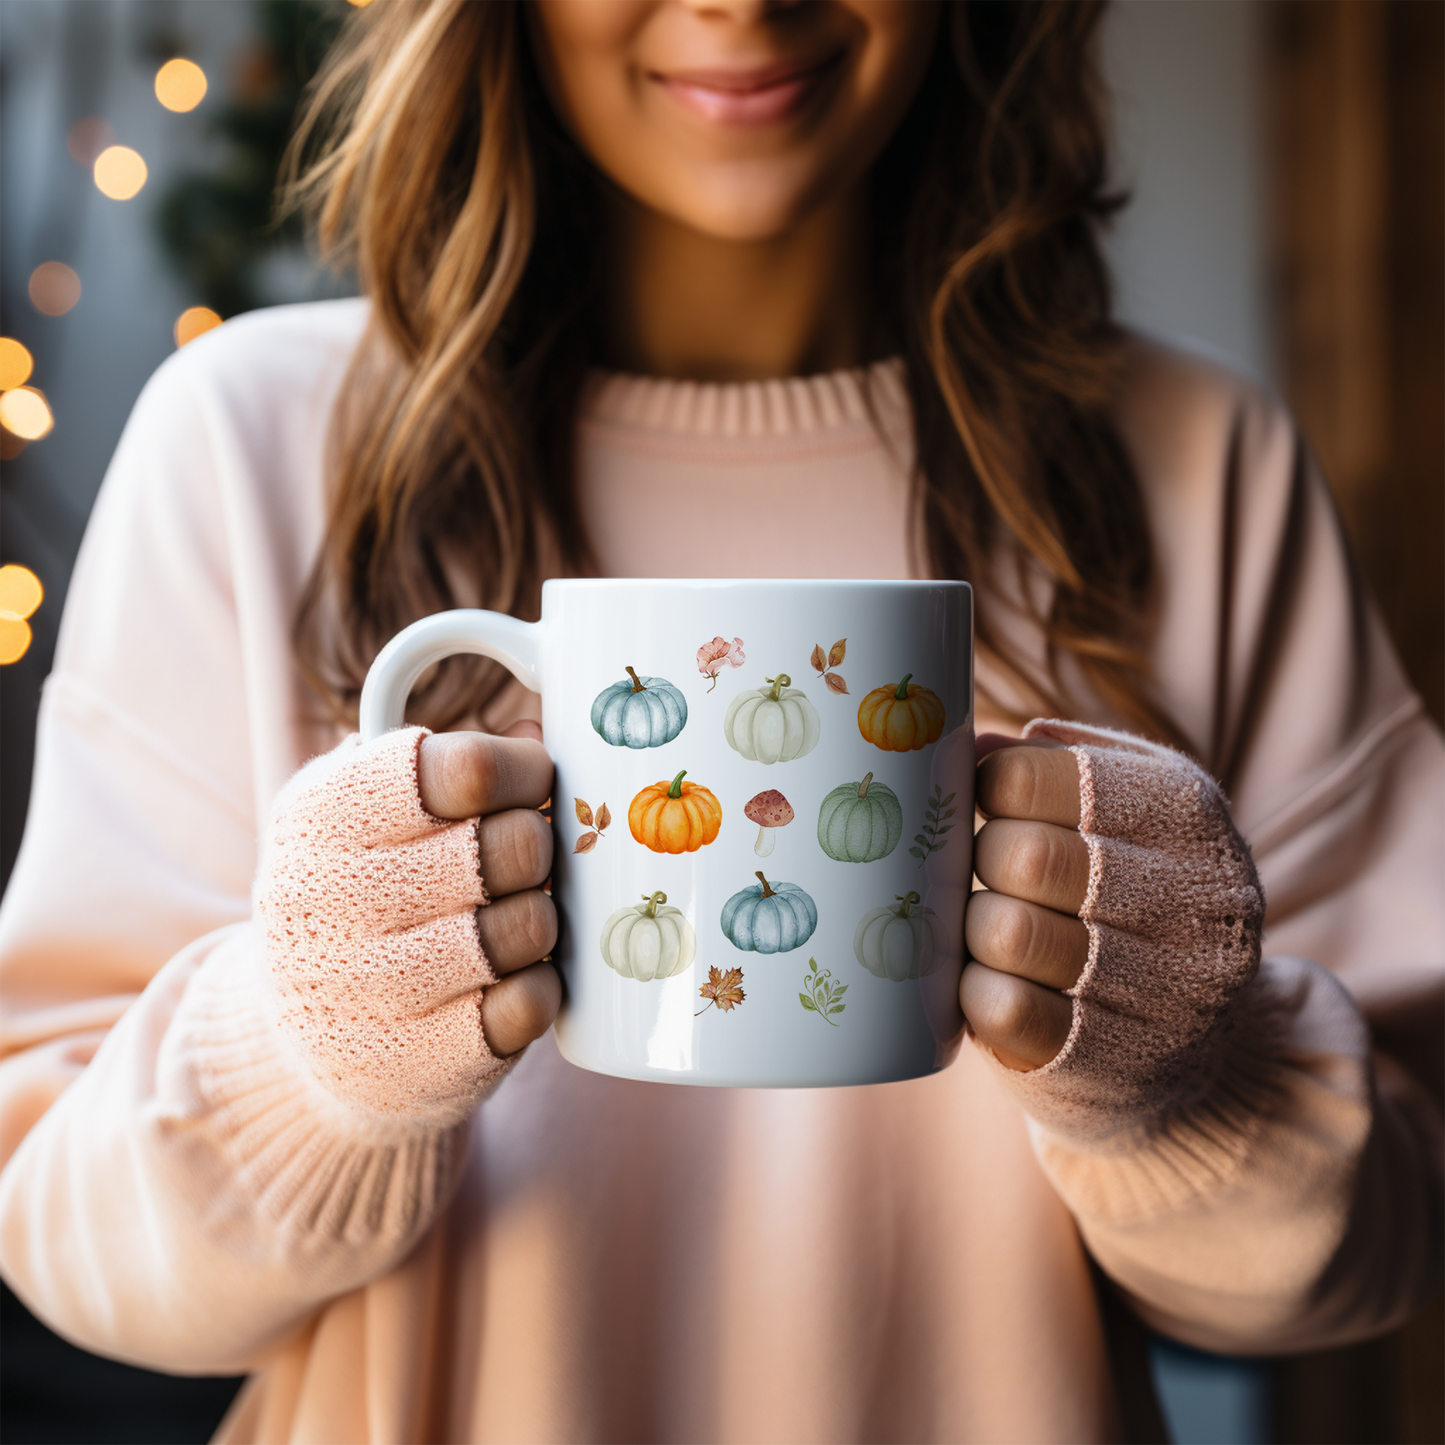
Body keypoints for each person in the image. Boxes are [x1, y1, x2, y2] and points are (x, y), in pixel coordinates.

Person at [0, 1, 1439, 1440]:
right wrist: (309, 1055)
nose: (742, 3)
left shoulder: (1197, 459)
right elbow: (59, 1240)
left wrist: (1190, 1082)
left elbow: (1387, 1249)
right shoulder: (252, 444)